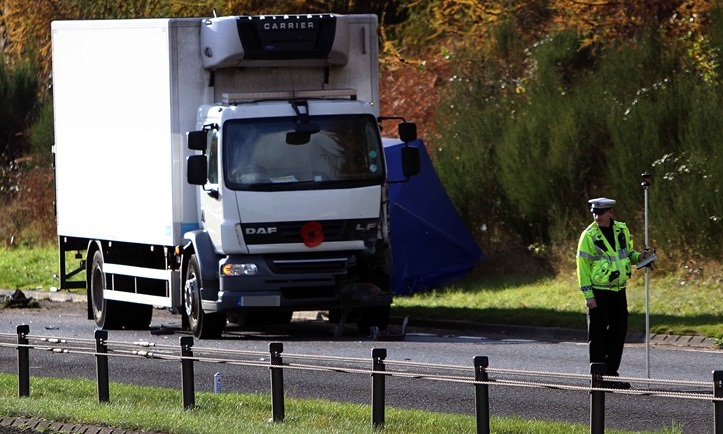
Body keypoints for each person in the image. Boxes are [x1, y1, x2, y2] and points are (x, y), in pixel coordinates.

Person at [576, 197, 651, 389]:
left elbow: (626, 254)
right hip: (599, 292)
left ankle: (611, 374)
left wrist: (640, 258)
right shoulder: (589, 235)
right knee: (598, 336)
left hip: (619, 290)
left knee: (618, 334)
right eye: (594, 213)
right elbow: (582, 267)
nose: (597, 217)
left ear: (611, 212)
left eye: (601, 213)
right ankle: (598, 377)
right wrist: (588, 296)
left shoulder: (621, 230)